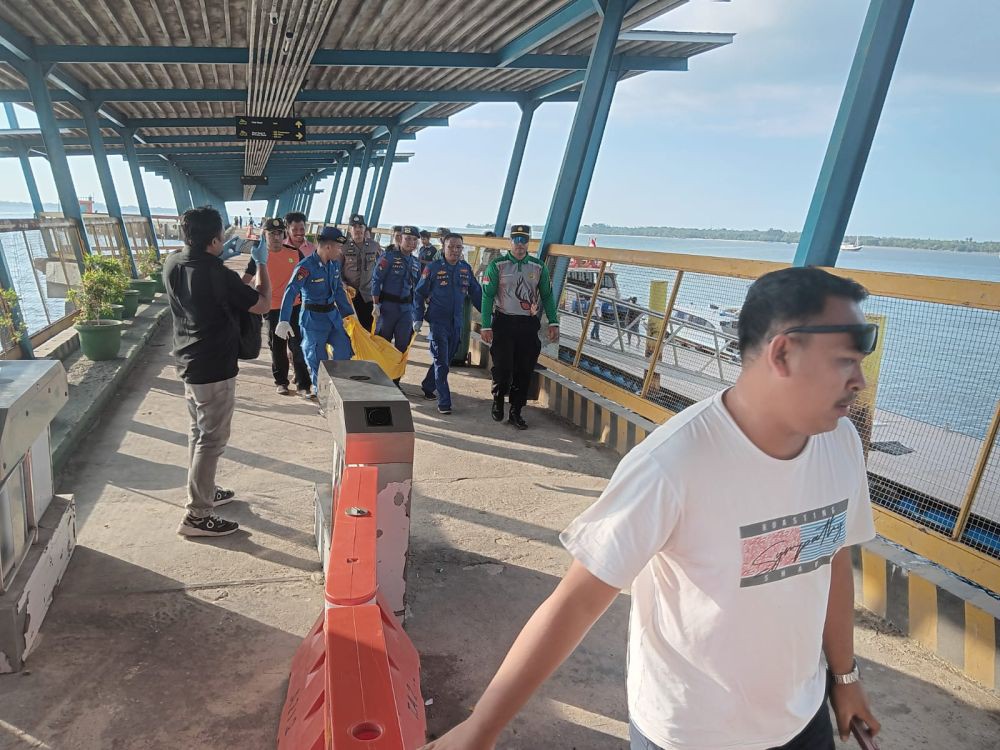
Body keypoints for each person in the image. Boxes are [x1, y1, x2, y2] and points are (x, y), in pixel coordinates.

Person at [420, 267, 881, 750]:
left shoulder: (840, 443)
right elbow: (575, 602)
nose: (860, 382)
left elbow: (832, 559)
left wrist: (844, 679)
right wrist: (479, 731)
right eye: (845, 362)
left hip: (802, 723)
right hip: (690, 736)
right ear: (783, 353)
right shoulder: (675, 464)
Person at [163, 206, 271, 538]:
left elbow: (203, 272)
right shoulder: (218, 275)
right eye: (222, 236)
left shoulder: (172, 262)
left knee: (199, 435)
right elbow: (262, 303)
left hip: (188, 361)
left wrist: (221, 255)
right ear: (213, 239)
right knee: (212, 441)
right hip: (214, 368)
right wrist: (262, 262)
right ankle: (197, 515)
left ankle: (204, 492)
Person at [480, 224, 558, 430]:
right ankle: (498, 398)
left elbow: (547, 296)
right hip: (504, 322)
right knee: (503, 368)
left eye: (524, 240)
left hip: (527, 324)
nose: (520, 244)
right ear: (510, 242)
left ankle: (516, 410)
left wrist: (553, 321)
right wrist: (486, 325)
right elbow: (487, 296)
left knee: (524, 369)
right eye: (516, 240)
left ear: (529, 242)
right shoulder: (498, 265)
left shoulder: (538, 266)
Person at [274, 226, 356, 399]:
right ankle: (323, 398)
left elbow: (339, 292)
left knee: (344, 350)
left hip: (332, 318)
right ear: (328, 247)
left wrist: (349, 314)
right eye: (338, 247)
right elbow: (291, 292)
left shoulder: (333, 265)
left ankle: (338, 390)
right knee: (317, 360)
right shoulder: (306, 267)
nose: (340, 251)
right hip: (313, 320)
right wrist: (284, 320)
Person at [241, 217, 312, 396]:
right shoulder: (258, 255)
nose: (276, 237)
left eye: (280, 233)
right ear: (265, 235)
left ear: (284, 234)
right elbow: (247, 278)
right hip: (271, 308)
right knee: (277, 346)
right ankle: (281, 382)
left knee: (298, 346)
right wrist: (235, 298)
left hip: (294, 306)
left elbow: (308, 278)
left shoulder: (295, 253)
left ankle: (304, 384)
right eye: (272, 233)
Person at [413, 233, 483, 415]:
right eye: (451, 247)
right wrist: (417, 317)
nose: (454, 250)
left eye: (458, 247)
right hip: (438, 322)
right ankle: (444, 401)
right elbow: (419, 293)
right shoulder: (433, 268)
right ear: (443, 247)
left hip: (457, 323)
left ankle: (428, 385)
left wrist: (489, 316)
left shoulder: (465, 269)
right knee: (441, 362)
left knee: (445, 359)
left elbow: (476, 293)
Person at [371, 225, 421, 353]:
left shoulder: (415, 262)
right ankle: (380, 372)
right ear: (400, 239)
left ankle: (397, 373)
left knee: (403, 345)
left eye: (415, 240)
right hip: (388, 308)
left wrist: (417, 313)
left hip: (406, 310)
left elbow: (417, 288)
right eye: (408, 239)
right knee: (382, 343)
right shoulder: (388, 257)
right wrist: (375, 304)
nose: (412, 242)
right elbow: (376, 280)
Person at [341, 213, 381, 331]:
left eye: (360, 226)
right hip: (350, 295)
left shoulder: (374, 246)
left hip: (368, 295)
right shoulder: (343, 247)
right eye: (354, 227)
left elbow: (380, 269)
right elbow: (336, 269)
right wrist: (342, 283)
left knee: (368, 328)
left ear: (365, 229)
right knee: (350, 330)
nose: (358, 229)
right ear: (349, 230)